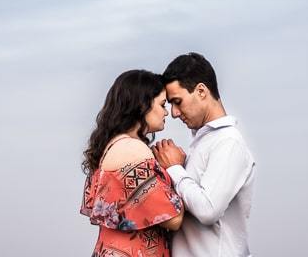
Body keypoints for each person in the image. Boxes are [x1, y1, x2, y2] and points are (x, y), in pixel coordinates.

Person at [152, 52, 256, 257]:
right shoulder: (205, 141)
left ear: (201, 91)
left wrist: (174, 168)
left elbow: (208, 210)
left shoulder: (228, 141)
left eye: (177, 101)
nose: (173, 113)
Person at [81, 69, 184, 257]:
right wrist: (176, 166)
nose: (166, 112)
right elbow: (173, 218)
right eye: (162, 105)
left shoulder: (114, 145)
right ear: (142, 105)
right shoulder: (132, 149)